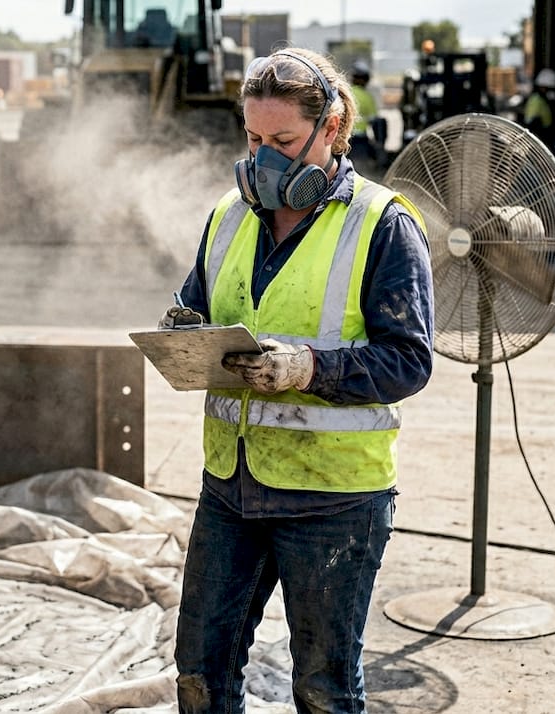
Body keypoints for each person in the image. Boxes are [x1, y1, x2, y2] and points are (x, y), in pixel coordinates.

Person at [158, 47, 435, 713]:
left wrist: (307, 367)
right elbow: (199, 304)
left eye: (283, 142)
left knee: (322, 689)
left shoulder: (382, 224)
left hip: (333, 501)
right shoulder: (228, 215)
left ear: (332, 128)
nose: (264, 160)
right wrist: (185, 331)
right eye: (253, 140)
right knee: (200, 674)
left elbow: (409, 360)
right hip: (231, 489)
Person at [346, 60, 384, 174]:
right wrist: (379, 145)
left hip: (344, 138)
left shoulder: (345, 93)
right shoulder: (368, 97)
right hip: (360, 140)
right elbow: (375, 121)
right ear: (366, 79)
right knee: (360, 171)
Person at [523, 68, 555, 149]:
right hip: (538, 143)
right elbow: (532, 123)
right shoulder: (536, 100)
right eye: (550, 89)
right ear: (542, 87)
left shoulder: (544, 101)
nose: (552, 92)